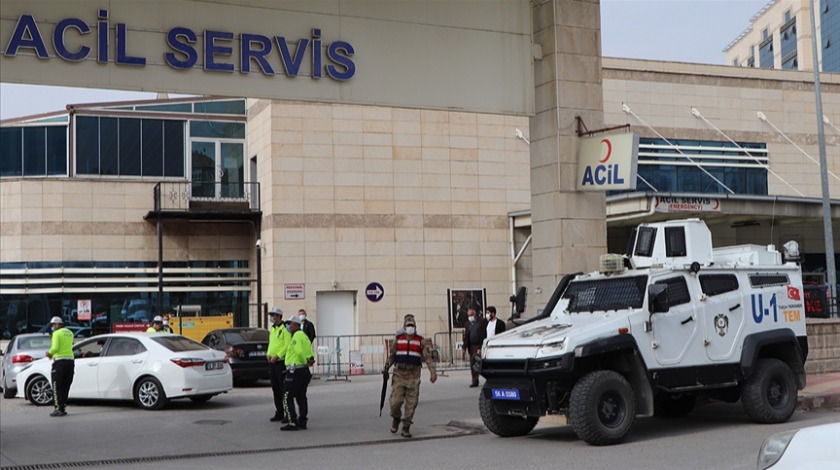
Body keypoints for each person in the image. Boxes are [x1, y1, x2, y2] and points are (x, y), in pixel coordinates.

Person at [383, 314, 437, 438]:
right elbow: (392, 356)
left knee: (412, 403)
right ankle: (396, 418)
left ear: (415, 326)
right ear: (404, 327)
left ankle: (406, 426)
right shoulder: (398, 339)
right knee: (395, 402)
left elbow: (427, 358)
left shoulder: (420, 341)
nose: (410, 327)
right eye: (408, 326)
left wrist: (432, 372)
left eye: (412, 325)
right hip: (399, 374)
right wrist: (386, 367)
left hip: (413, 375)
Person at [281, 315, 315, 431]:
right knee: (301, 396)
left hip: (295, 370)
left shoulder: (296, 336)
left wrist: (304, 361)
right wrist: (309, 360)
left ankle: (292, 421)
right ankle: (303, 421)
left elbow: (299, 352)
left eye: (290, 324)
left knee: (286, 396)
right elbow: (310, 352)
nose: (289, 326)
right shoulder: (304, 336)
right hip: (304, 370)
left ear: (295, 325)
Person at [45, 316, 74, 417]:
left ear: (58, 324)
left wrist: (49, 353)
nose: (53, 326)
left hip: (59, 362)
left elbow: (55, 347)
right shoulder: (70, 333)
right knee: (66, 386)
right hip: (70, 362)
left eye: (53, 324)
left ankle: (58, 408)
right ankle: (63, 407)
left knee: (56, 386)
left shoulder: (56, 333)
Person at [267, 307, 291, 423]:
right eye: (271, 315)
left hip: (280, 362)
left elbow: (287, 345)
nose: (272, 317)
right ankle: (279, 411)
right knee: (275, 388)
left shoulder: (285, 329)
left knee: (283, 389)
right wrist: (268, 354)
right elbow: (271, 343)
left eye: (274, 315)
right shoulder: (273, 329)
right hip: (272, 362)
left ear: (279, 316)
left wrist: (278, 356)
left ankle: (287, 413)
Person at [461, 308, 486, 388]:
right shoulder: (467, 324)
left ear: (474, 315)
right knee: (473, 364)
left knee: (479, 362)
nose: (470, 317)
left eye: (471, 315)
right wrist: (464, 347)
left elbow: (483, 334)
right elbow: (466, 337)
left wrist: (480, 346)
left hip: (478, 345)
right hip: (471, 346)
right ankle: (475, 380)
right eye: (468, 315)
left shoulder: (481, 322)